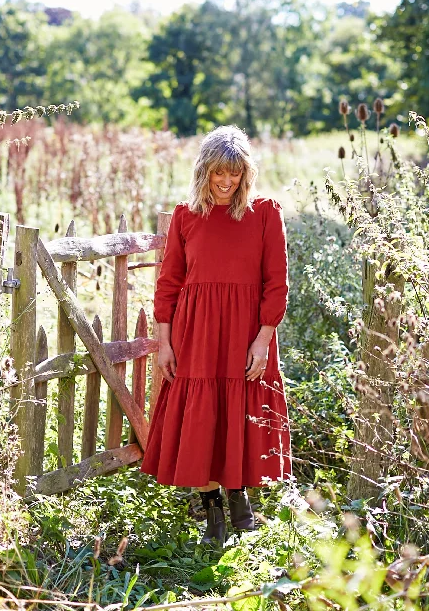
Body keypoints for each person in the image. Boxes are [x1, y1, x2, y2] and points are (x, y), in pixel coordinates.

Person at [140, 125, 292, 545]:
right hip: (196, 335)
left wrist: (262, 340)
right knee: (202, 418)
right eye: (218, 174)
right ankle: (213, 515)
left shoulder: (265, 213)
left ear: (246, 174)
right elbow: (169, 283)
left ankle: (240, 498)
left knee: (236, 412)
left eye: (235, 174)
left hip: (245, 332)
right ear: (203, 171)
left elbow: (276, 283)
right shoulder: (186, 217)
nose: (226, 183)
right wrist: (165, 341)